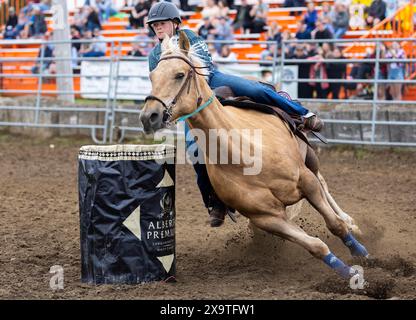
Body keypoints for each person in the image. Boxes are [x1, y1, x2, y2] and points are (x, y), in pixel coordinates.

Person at [146, 2, 323, 227]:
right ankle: (214, 202)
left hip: (210, 81)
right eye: (155, 25)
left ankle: (302, 115)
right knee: (195, 150)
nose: (158, 28)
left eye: (162, 24)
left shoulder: (190, 37)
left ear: (175, 23)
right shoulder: (154, 56)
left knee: (256, 90)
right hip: (188, 103)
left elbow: (204, 69)